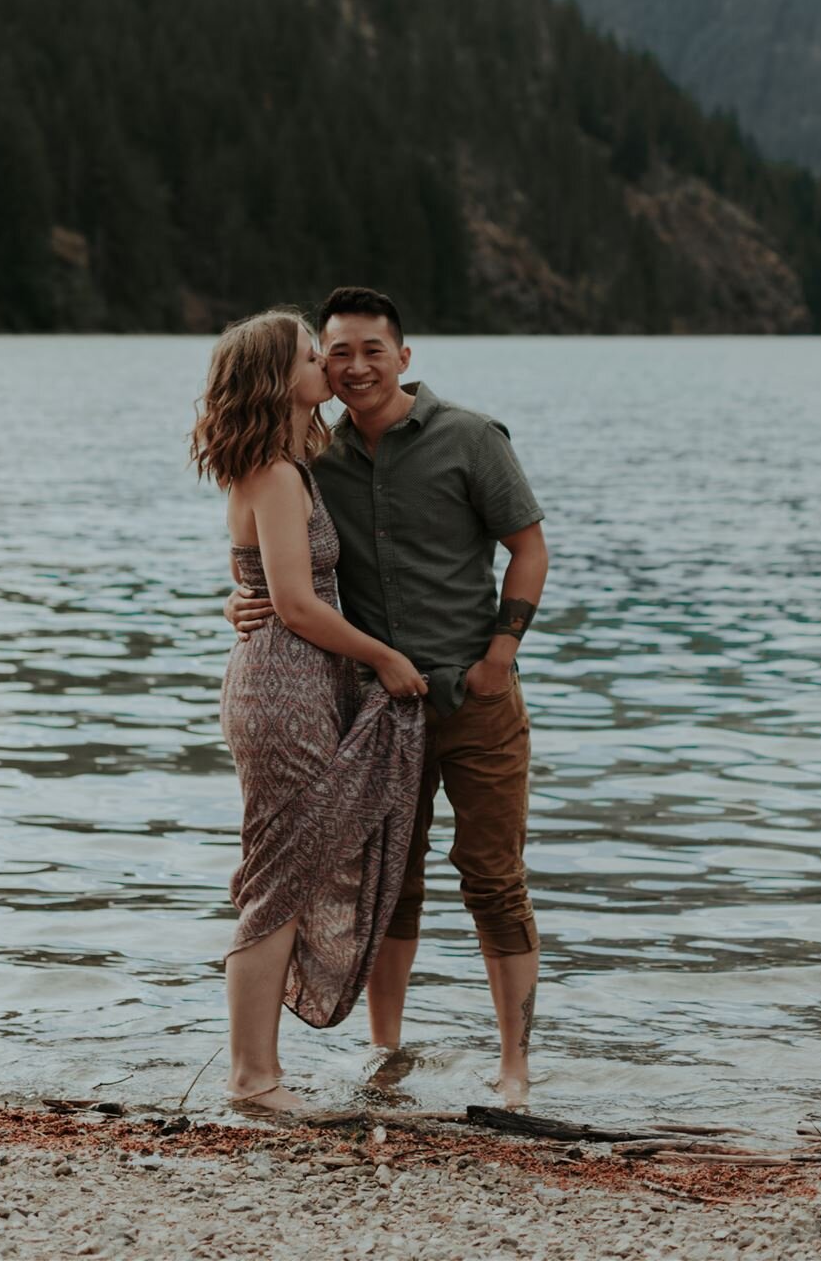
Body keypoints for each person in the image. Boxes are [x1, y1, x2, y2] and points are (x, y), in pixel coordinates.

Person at [228, 286, 549, 1102]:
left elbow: (529, 548)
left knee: (493, 876)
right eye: (336, 352)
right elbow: (278, 562)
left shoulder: (471, 439)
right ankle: (384, 1054)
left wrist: (499, 655)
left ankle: (514, 1066)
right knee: (386, 878)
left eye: (374, 349)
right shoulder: (313, 458)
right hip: (372, 708)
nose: (355, 365)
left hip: (476, 697)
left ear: (405, 356)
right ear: (323, 366)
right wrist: (242, 598)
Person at [191, 308, 428, 1113]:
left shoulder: (291, 460)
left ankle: (260, 1071)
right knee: (276, 878)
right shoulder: (279, 473)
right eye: (308, 355)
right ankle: (253, 1079)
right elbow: (293, 601)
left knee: (282, 868)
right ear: (277, 379)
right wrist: (386, 658)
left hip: (294, 681)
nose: (327, 364)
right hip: (285, 687)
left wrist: (239, 597)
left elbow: (267, 582)